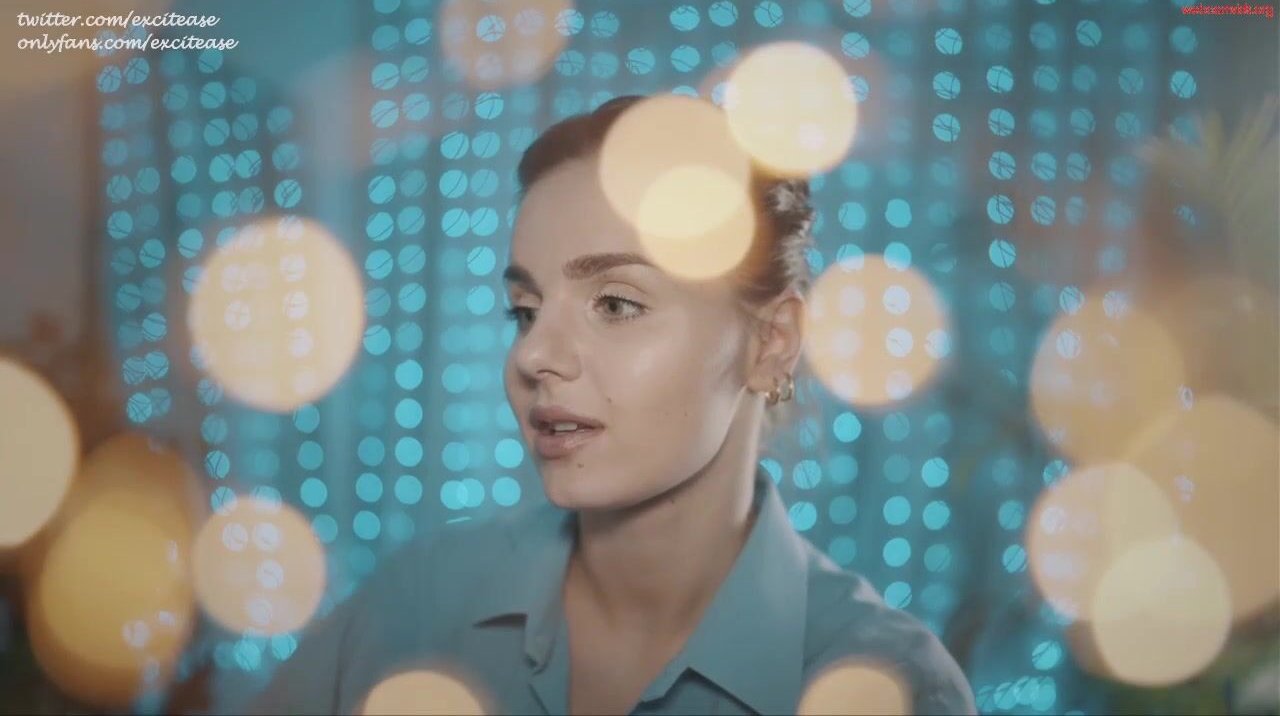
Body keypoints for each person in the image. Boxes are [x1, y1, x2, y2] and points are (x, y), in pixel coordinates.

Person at [241, 94, 976, 715]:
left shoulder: (889, 685)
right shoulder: (415, 609)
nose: (534, 355)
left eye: (617, 304)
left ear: (772, 342)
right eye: (525, 310)